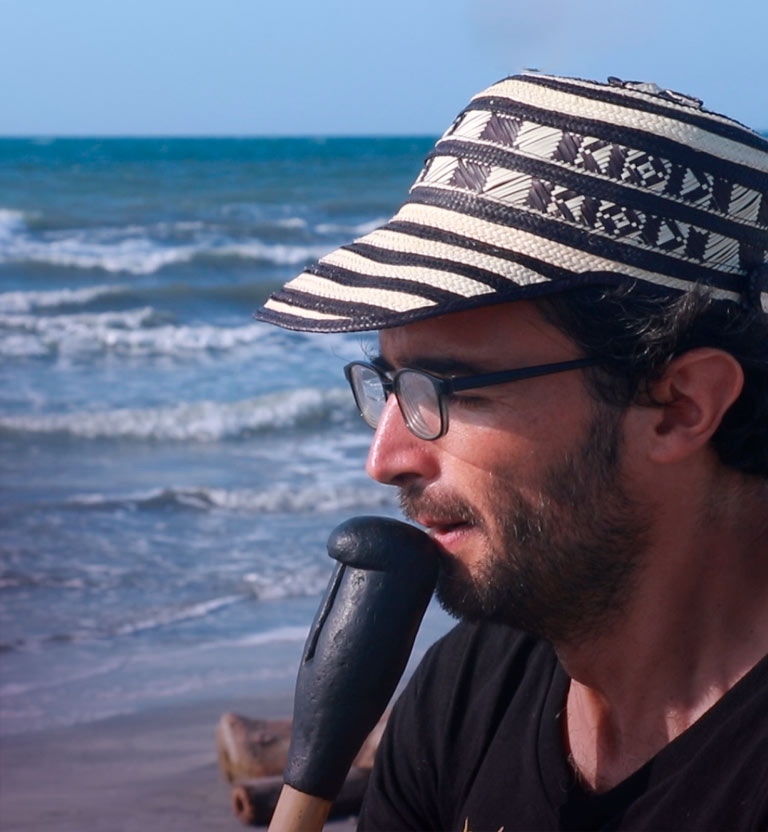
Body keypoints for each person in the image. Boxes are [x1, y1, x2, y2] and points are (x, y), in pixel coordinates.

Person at [256, 73, 768, 830]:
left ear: (679, 408)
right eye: (389, 384)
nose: (386, 456)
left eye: (453, 390)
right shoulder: (464, 694)